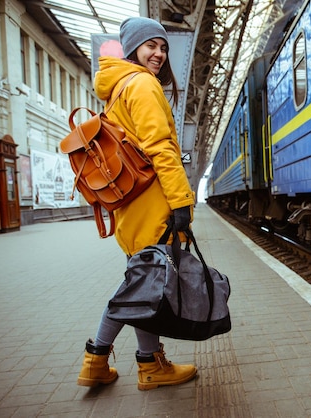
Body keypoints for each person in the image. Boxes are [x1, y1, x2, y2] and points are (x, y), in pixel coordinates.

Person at [77, 17, 197, 391]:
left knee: (145, 284)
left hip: (129, 205)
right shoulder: (142, 84)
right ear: (132, 49)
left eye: (163, 47)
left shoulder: (116, 89)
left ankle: (148, 364)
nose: (159, 54)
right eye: (151, 46)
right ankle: (96, 358)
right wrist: (181, 202)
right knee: (139, 287)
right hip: (151, 203)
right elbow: (160, 147)